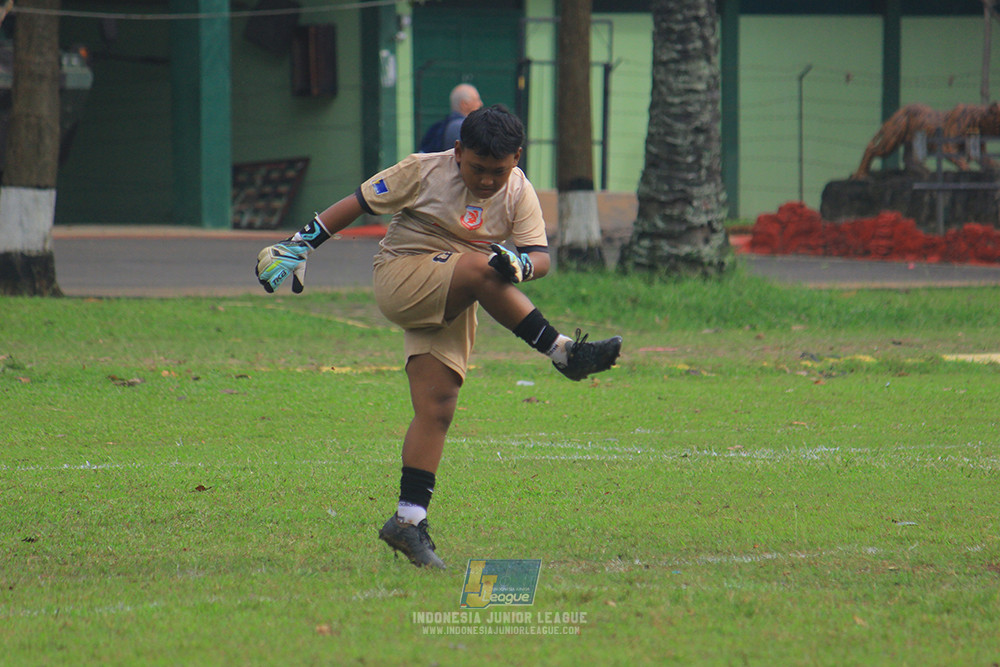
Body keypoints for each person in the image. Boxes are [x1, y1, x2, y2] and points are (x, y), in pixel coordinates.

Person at [254, 104, 622, 569]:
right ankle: (562, 352)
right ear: (457, 151)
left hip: (460, 288)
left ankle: (408, 521)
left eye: (499, 171)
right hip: (403, 275)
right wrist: (299, 243)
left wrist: (522, 266)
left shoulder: (519, 189)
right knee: (481, 266)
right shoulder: (422, 171)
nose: (488, 181)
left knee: (438, 406)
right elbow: (358, 202)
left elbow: (540, 257)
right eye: (477, 168)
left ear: (517, 159)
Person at [418, 83, 483, 153]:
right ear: (465, 104)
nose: (480, 104)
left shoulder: (438, 127)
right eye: (477, 100)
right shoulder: (464, 127)